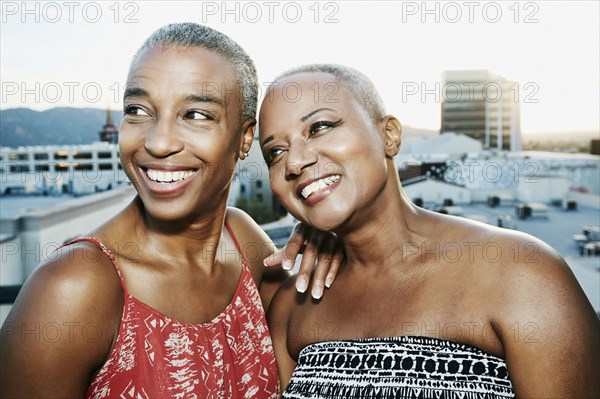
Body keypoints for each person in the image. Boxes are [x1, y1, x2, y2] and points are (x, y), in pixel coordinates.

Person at [0, 24, 344, 398]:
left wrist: (322, 238)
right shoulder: (73, 286)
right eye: (138, 110)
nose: (158, 142)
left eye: (196, 114)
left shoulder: (241, 241)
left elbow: (320, 328)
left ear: (244, 138)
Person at [260, 64, 600, 398]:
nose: (294, 162)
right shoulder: (291, 306)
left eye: (318, 127)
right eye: (275, 151)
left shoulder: (521, 274)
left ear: (389, 135)